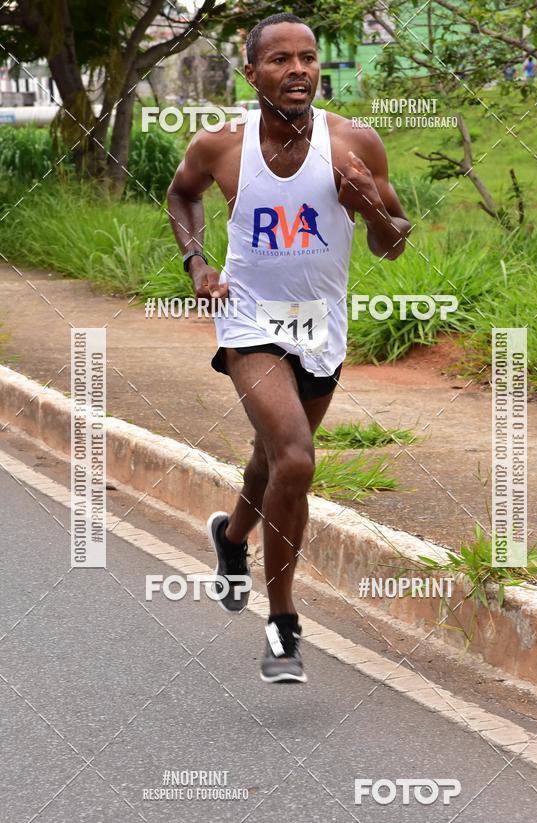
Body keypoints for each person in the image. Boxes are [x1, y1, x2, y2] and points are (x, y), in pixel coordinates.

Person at [167, 12, 410, 683]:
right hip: (249, 323)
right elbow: (181, 195)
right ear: (251, 73)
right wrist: (197, 263)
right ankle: (281, 624)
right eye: (279, 59)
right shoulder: (221, 146)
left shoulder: (355, 143)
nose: (297, 69)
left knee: (270, 460)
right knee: (296, 459)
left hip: (320, 327)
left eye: (307, 58)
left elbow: (393, 244)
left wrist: (372, 206)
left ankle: (231, 536)